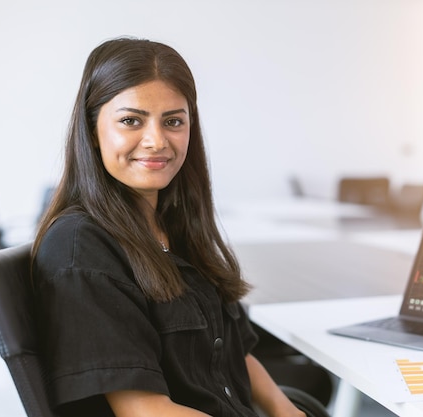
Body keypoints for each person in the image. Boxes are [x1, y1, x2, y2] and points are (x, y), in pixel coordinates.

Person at [31, 36, 307, 417]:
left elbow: (234, 351)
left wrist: (283, 409)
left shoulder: (176, 227)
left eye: (173, 121)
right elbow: (144, 410)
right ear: (93, 131)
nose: (156, 141)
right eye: (131, 121)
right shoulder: (81, 246)